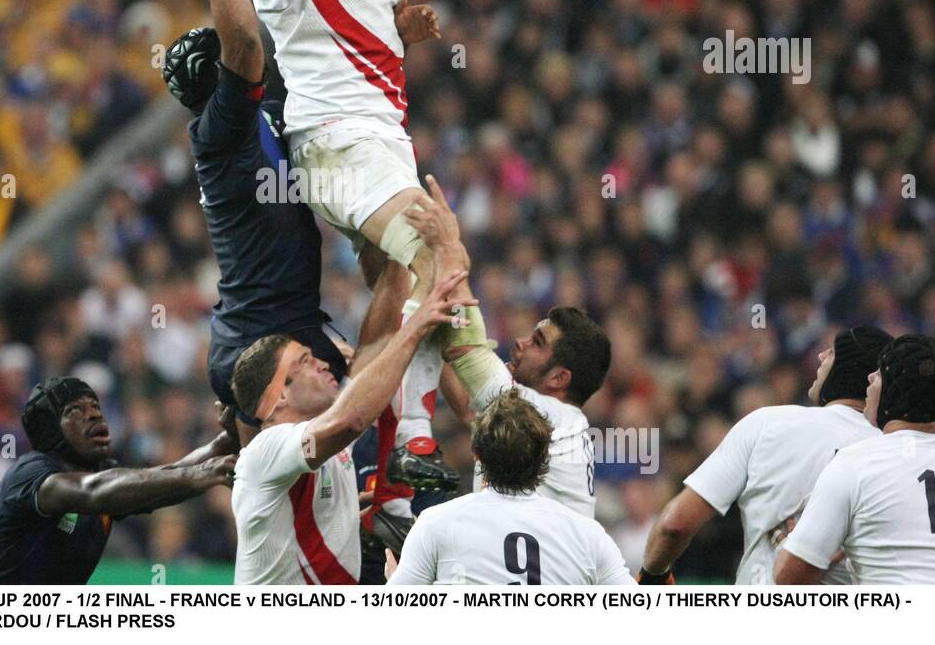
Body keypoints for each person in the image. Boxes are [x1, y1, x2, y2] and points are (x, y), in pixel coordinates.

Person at [178, 0, 622, 490]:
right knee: (437, 255)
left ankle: (396, 455)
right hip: (333, 146)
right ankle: (500, 422)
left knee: (399, 284)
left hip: (385, 142)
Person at [228, 228, 474, 584]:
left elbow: (380, 336)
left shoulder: (325, 439)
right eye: (305, 362)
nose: (325, 363)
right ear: (279, 396)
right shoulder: (265, 451)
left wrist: (385, 229)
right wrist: (417, 325)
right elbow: (352, 418)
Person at [404, 175, 611, 517]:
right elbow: (471, 408)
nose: (520, 342)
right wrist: (435, 326)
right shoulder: (540, 422)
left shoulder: (553, 419)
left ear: (560, 378)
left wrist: (449, 247)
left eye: (537, 343)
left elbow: (469, 355)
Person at [640, 326, 889, 585]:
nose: (820, 357)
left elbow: (675, 526)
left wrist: (651, 577)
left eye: (832, 352)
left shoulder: (765, 423)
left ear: (847, 368)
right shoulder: (892, 452)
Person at [0, 377, 236, 584]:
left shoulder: (104, 477)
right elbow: (94, 491)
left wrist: (226, 440)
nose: (93, 413)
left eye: (94, 405)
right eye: (74, 411)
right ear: (50, 429)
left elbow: (164, 478)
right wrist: (199, 473)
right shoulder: (31, 472)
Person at [386, 387, 634, 585]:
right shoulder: (589, 535)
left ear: (476, 454)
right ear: (543, 458)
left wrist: (393, 583)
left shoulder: (436, 523)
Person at [776, 335, 935, 584]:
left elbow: (789, 577)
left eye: (881, 373)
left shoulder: (855, 462)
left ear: (895, 391)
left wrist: (789, 546)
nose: (870, 378)